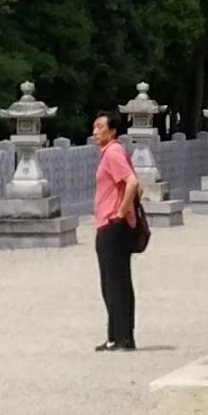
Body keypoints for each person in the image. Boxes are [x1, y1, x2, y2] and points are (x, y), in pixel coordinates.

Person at [89, 111, 143, 351]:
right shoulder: (112, 152)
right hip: (112, 224)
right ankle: (119, 335)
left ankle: (120, 337)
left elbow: (133, 182)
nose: (95, 131)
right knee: (117, 281)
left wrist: (120, 213)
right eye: (95, 126)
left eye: (100, 127)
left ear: (112, 131)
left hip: (113, 225)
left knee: (114, 282)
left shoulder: (113, 152)